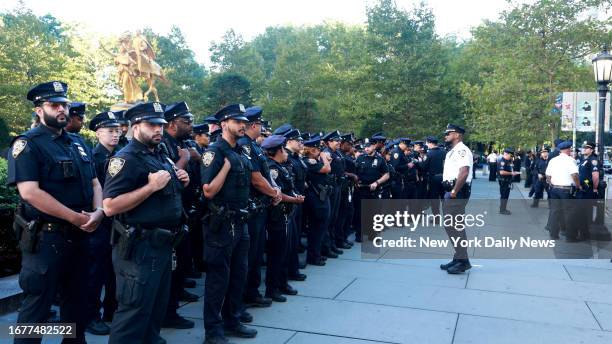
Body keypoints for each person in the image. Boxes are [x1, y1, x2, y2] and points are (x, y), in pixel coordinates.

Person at [9, 81, 105, 344]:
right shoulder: (27, 144)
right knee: (35, 312)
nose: (62, 109)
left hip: (82, 237)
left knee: (76, 306)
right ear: (40, 110)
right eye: (54, 105)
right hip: (46, 241)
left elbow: (95, 182)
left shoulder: (78, 142)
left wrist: (98, 212)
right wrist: (75, 217)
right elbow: (29, 192)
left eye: (65, 104)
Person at [103, 102, 190, 343]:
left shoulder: (158, 154)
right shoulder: (125, 158)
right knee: (133, 312)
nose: (158, 130)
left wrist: (181, 178)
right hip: (139, 248)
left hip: (162, 245)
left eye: (161, 125)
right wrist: (150, 187)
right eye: (151, 125)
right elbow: (110, 206)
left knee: (155, 311)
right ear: (135, 126)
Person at [160, 101, 200, 329]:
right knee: (171, 268)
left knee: (181, 264)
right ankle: (168, 313)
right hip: (170, 213)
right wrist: (184, 158)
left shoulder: (184, 143)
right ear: (172, 123)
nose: (191, 125)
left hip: (183, 211)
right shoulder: (165, 144)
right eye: (187, 121)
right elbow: (168, 177)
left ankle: (172, 307)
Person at [238, 106, 280, 308]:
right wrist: (274, 193)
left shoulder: (254, 147)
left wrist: (275, 189)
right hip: (251, 208)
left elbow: (264, 175)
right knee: (249, 255)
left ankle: (252, 292)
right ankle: (245, 295)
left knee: (255, 254)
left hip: (260, 206)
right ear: (253, 125)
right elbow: (256, 179)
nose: (262, 128)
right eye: (260, 124)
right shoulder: (245, 146)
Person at [85, 111, 122, 335]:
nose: (115, 135)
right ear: (98, 133)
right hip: (101, 221)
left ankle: (111, 310)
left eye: (117, 131)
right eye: (110, 131)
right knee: (96, 273)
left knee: (114, 271)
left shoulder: (121, 155)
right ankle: (92, 316)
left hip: (118, 220)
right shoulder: (93, 157)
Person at [262, 135, 305, 302]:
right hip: (278, 215)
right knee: (277, 253)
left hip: (288, 214)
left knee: (287, 250)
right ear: (278, 151)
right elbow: (276, 192)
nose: (286, 153)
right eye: (283, 150)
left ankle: (282, 282)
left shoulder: (282, 166)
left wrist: (295, 196)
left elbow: (289, 187)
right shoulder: (272, 168)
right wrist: (294, 199)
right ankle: (272, 289)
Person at [439, 124, 473, 274]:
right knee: (451, 226)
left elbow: (464, 172)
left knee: (455, 226)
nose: (445, 136)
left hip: (457, 193)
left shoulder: (462, 150)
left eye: (448, 133)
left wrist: (453, 191)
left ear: (457, 135)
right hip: (452, 191)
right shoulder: (452, 151)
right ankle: (459, 257)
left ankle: (463, 261)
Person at [302, 135, 332, 264]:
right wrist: (325, 158)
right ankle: (313, 256)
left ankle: (316, 253)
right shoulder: (309, 161)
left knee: (320, 228)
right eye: (318, 149)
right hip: (316, 198)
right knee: (317, 228)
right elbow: (327, 169)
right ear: (312, 150)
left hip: (320, 196)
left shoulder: (313, 161)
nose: (320, 152)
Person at [354, 139, 389, 242]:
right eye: (365, 146)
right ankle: (359, 234)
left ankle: (372, 234)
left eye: (368, 146)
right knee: (359, 213)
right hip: (360, 189)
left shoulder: (380, 159)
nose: (366, 148)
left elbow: (386, 175)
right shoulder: (360, 158)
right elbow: (355, 173)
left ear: (374, 146)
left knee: (373, 213)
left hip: (373, 190)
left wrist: (377, 183)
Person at [545, 141, 582, 241]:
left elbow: (548, 175)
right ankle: (570, 237)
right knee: (569, 213)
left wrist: (551, 183)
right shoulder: (571, 160)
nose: (571, 150)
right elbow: (574, 175)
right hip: (566, 190)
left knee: (555, 211)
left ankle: (553, 234)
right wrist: (578, 185)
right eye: (570, 149)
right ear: (567, 150)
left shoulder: (553, 160)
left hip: (554, 189)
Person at [321, 130, 345, 257]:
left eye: (339, 141)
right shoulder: (326, 153)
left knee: (334, 217)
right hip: (330, 186)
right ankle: (326, 246)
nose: (339, 143)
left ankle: (332, 243)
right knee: (328, 218)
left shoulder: (337, 152)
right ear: (329, 142)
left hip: (337, 185)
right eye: (336, 141)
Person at [575, 142, 599, 240]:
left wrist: (594, 188)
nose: (584, 149)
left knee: (585, 213)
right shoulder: (584, 160)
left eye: (587, 148)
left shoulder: (593, 160)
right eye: (584, 147)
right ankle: (583, 233)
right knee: (581, 212)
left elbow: (595, 176)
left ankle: (584, 234)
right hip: (582, 190)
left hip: (587, 190)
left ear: (591, 150)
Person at [425, 136, 445, 215]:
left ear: (430, 143)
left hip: (434, 178)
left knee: (434, 199)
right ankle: (447, 216)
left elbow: (424, 166)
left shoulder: (429, 154)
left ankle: (436, 217)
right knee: (444, 198)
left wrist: (419, 162)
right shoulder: (444, 152)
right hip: (444, 177)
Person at [497, 148, 519, 215]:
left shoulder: (507, 161)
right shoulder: (502, 161)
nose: (511, 157)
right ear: (506, 154)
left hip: (507, 181)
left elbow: (509, 170)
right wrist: (511, 173)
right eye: (510, 155)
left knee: (506, 196)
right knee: (504, 195)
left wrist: (512, 172)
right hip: (504, 181)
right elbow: (502, 172)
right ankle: (502, 210)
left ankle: (503, 208)